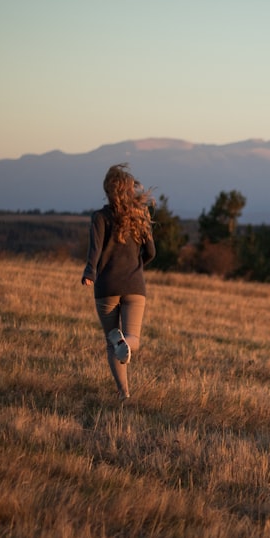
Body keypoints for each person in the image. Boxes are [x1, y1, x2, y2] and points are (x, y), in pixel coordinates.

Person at [81, 164, 156, 400]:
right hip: (134, 286)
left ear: (108, 190)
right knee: (133, 339)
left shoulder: (100, 217)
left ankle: (124, 393)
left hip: (106, 287)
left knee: (111, 342)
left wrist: (90, 273)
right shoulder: (141, 214)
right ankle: (125, 341)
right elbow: (151, 252)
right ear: (129, 190)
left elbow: (95, 249)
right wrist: (137, 267)